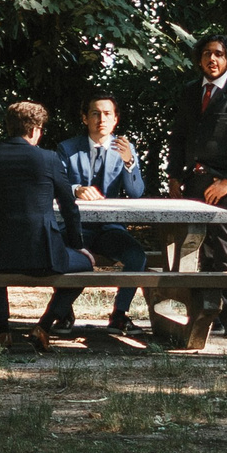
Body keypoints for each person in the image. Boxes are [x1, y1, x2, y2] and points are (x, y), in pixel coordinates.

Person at [166, 32, 227, 338]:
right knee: (200, 250)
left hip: (226, 187)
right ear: (200, 58)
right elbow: (179, 137)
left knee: (225, 251)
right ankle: (210, 314)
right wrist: (174, 176)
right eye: (207, 53)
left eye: (219, 53)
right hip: (194, 183)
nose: (212, 59)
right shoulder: (190, 91)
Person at [0, 100, 92, 349]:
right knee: (87, 266)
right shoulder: (48, 158)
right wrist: (77, 245)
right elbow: (68, 206)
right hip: (42, 252)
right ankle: (44, 325)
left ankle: (2, 330)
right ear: (34, 130)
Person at [50, 95, 148, 335]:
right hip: (75, 227)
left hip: (109, 227)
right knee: (56, 252)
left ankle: (119, 314)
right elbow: (55, 185)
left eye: (107, 114)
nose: (101, 119)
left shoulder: (125, 149)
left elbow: (136, 193)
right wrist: (76, 189)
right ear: (85, 118)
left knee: (137, 256)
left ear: (115, 120)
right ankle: (62, 312)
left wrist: (129, 162)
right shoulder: (68, 148)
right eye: (95, 113)